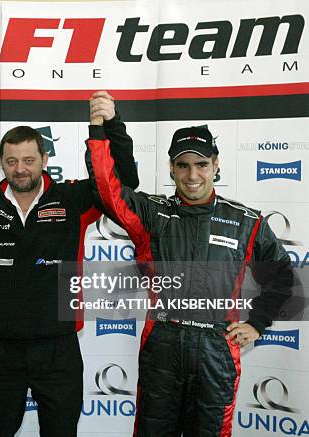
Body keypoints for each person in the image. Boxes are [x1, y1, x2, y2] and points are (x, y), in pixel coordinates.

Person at [85, 92, 293, 437]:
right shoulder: (153, 213)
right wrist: (104, 128)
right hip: (163, 343)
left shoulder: (245, 220)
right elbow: (108, 190)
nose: (192, 174)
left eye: (201, 164)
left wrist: (257, 322)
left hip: (216, 348)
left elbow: (282, 275)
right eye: (183, 165)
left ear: (216, 165)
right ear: (171, 168)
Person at [0, 92, 140, 437]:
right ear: (2, 163)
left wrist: (110, 126)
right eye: (12, 161)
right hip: (1, 352)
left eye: (29, 159)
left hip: (58, 350)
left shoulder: (72, 200)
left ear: (44, 159)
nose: (21, 168)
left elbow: (121, 182)